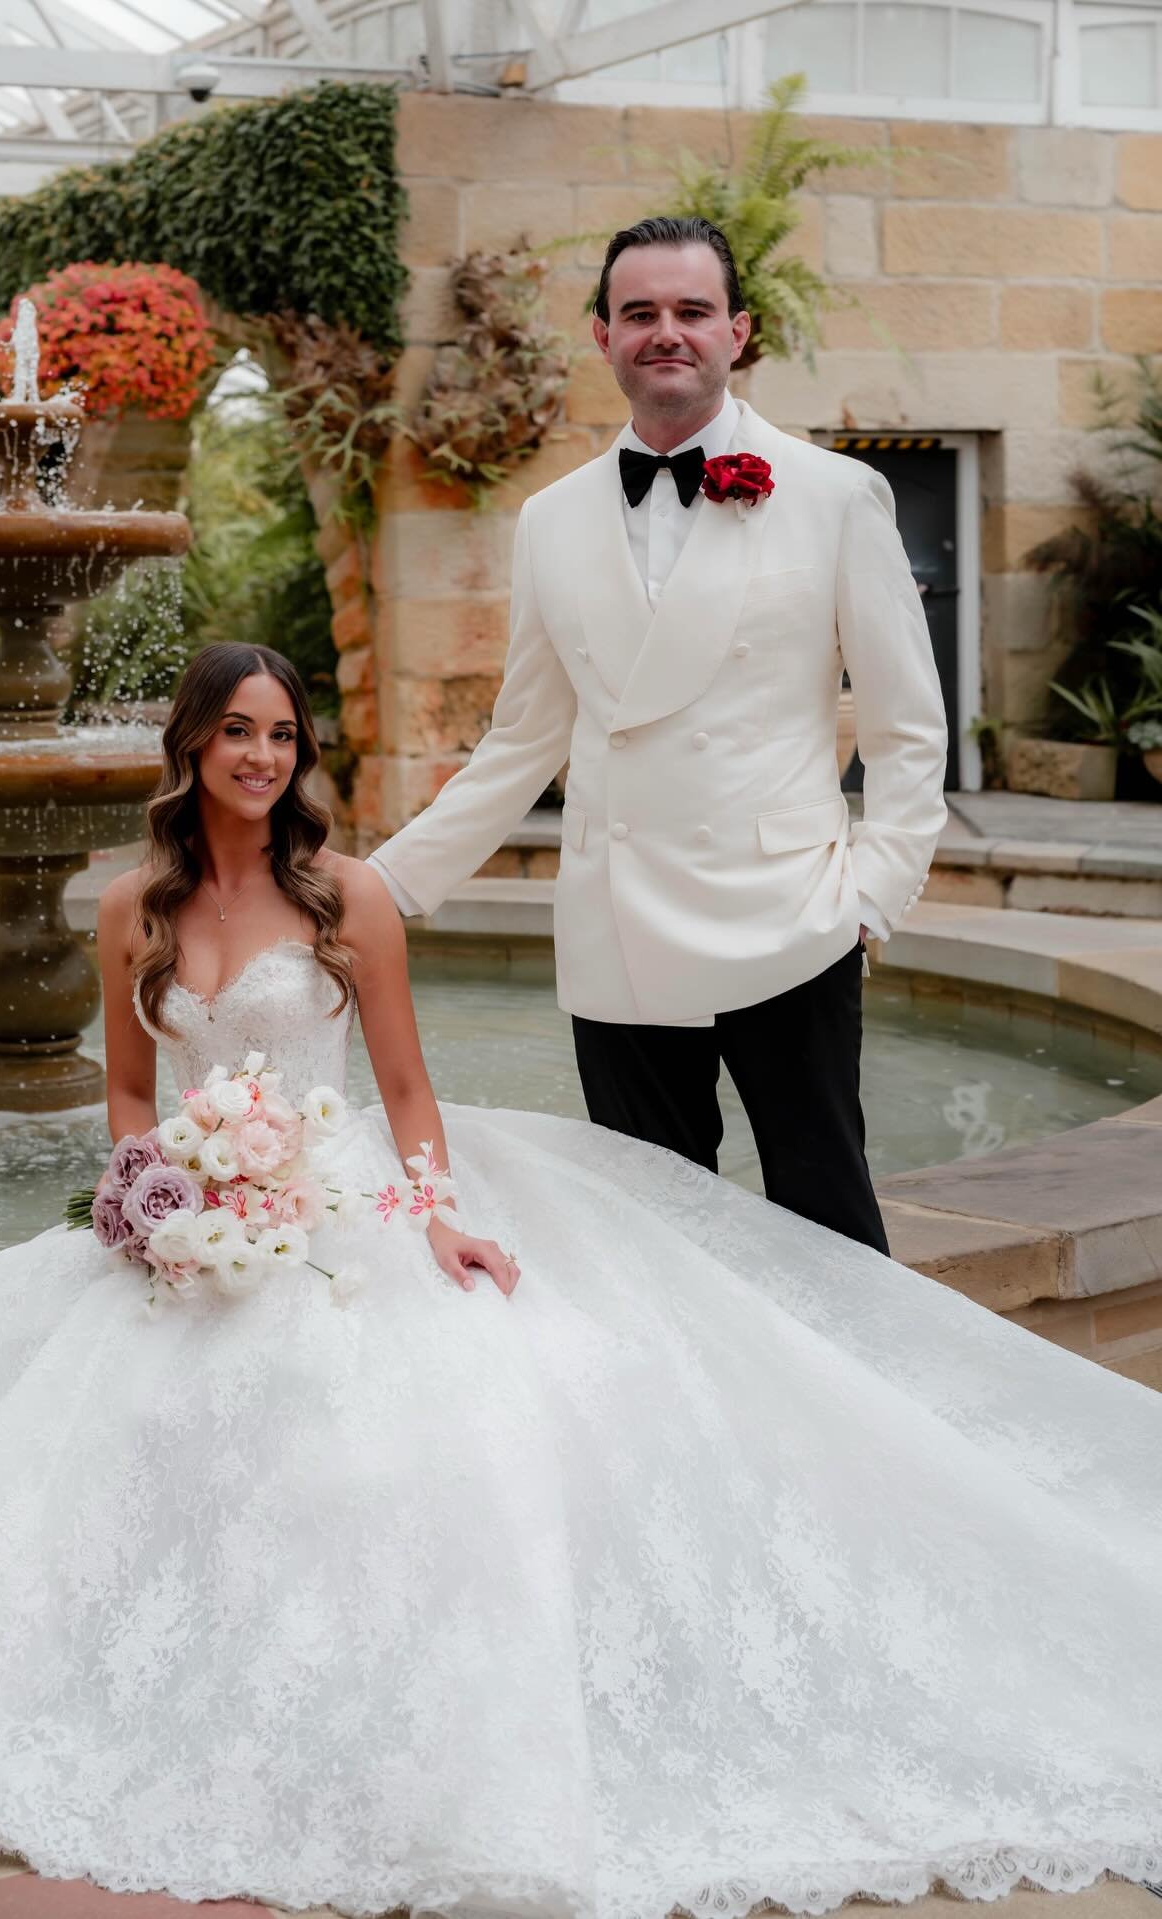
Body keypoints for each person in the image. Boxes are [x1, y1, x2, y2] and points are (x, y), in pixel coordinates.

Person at [0, 643, 1160, 1919]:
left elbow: (408, 1089)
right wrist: (148, 1189)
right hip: (194, 1218)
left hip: (343, 1194)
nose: (262, 754)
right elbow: (128, 1089)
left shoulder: (347, 894)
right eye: (237, 729)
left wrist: (438, 1219)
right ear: (192, 744)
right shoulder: (128, 905)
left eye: (283, 732)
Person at [370, 215, 950, 1255]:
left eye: (692, 310)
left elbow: (908, 724)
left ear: (738, 331)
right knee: (649, 1242)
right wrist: (386, 884)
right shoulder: (550, 519)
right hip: (618, 924)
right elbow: (523, 739)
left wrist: (871, 896)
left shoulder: (834, 496)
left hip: (791, 919)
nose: (666, 332)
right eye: (639, 313)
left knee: (829, 1227)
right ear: (603, 336)